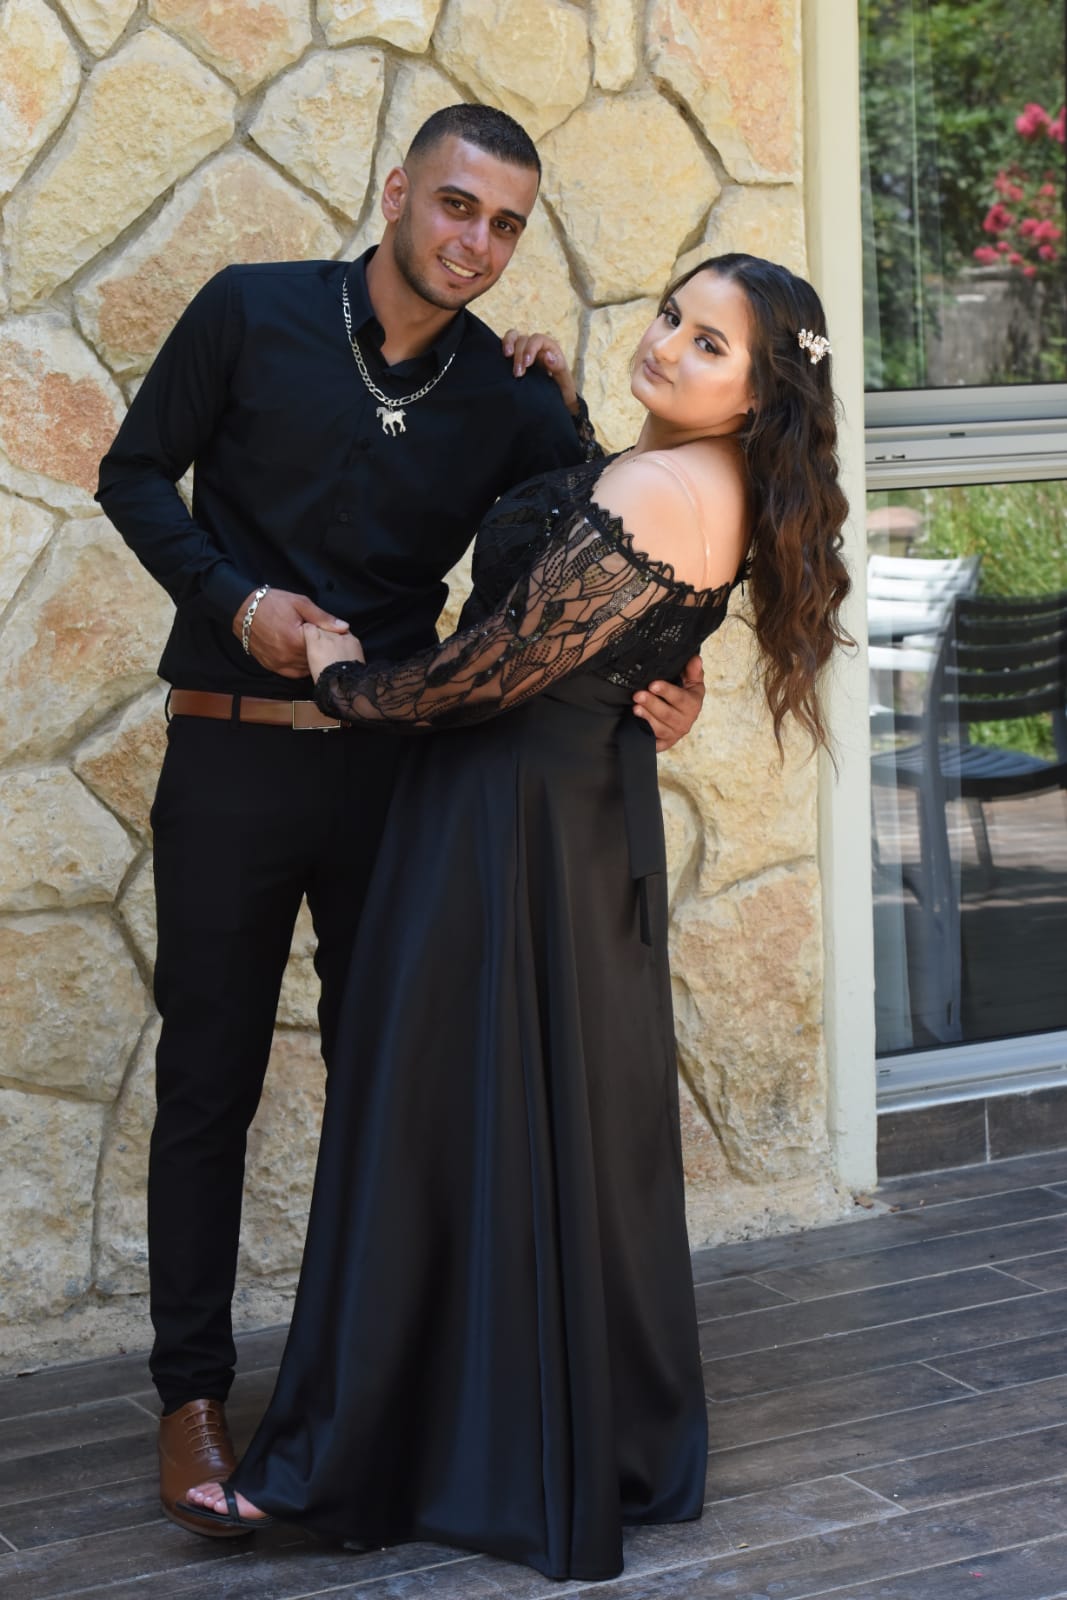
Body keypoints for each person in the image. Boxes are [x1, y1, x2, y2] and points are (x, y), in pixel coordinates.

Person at [178, 253, 852, 1581]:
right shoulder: (685, 475)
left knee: (431, 1120)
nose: (669, 345)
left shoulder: (664, 488)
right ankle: (500, 1433)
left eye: (710, 346)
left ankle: (353, 1457)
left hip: (505, 825)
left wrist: (343, 677)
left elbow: (486, 674)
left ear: (761, 394)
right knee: (512, 1127)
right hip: (561, 820)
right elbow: (599, 602)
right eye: (673, 316)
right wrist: (575, 425)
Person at [95, 103, 705, 1535]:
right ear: (396, 194)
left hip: (401, 780)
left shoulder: (509, 396)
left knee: (400, 1087)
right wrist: (237, 601)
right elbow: (130, 474)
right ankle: (191, 1399)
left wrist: (673, 686)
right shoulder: (248, 313)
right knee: (209, 1083)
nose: (476, 243)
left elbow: (615, 556)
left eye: (505, 225)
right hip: (232, 756)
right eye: (456, 206)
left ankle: (380, 1395)